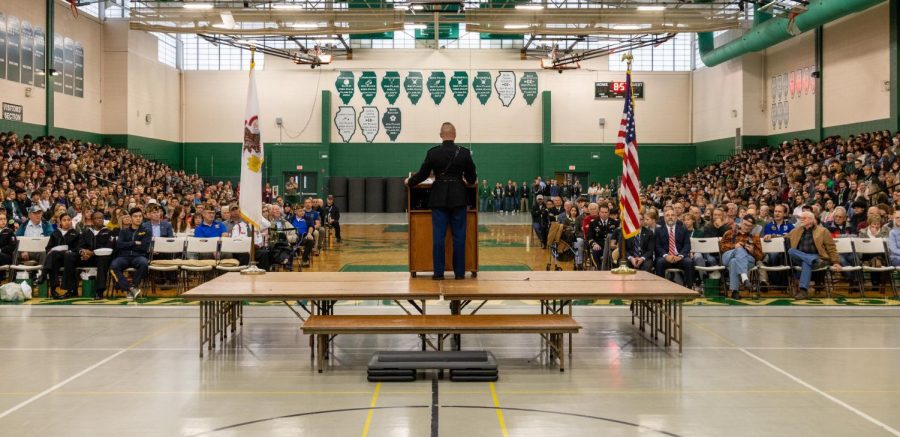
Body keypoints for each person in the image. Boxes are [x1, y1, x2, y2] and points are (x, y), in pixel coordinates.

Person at [405, 122, 477, 280]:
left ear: (440, 135)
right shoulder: (464, 153)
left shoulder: (433, 153)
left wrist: (409, 182)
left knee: (438, 237)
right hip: (459, 198)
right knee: (459, 237)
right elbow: (472, 179)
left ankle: (438, 274)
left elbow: (423, 174)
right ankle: (459, 274)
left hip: (438, 198)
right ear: (455, 134)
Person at [787, 211, 841, 300]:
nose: (801, 220)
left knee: (806, 263)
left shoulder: (823, 231)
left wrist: (835, 262)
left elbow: (831, 247)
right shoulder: (795, 231)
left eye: (804, 218)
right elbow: (783, 237)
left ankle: (803, 291)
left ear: (811, 220)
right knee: (791, 250)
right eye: (801, 218)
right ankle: (811, 260)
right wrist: (771, 236)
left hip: (818, 256)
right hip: (801, 258)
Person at [65, 211, 113, 300]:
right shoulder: (85, 233)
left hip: (100, 258)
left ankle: (99, 291)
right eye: (97, 218)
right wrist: (82, 252)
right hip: (86, 257)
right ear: (92, 220)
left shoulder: (108, 232)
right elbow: (78, 246)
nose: (100, 220)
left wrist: (92, 253)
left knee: (103, 258)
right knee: (70, 256)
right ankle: (71, 290)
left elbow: (108, 249)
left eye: (101, 218)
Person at [111, 208, 152, 300]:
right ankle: (130, 288)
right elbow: (119, 245)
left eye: (140, 216)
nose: (138, 218)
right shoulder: (123, 231)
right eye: (135, 216)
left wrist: (127, 245)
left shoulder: (147, 231)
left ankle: (133, 286)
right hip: (124, 256)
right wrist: (134, 243)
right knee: (114, 265)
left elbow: (144, 247)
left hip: (139, 256)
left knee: (144, 263)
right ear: (131, 218)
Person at [719, 216, 763, 299]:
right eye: (745, 224)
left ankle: (735, 291)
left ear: (752, 227)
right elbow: (722, 247)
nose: (746, 227)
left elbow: (760, 256)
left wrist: (752, 251)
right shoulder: (729, 233)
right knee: (739, 249)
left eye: (749, 226)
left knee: (734, 262)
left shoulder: (754, 237)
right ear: (741, 222)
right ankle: (744, 278)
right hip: (728, 255)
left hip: (747, 260)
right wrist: (734, 246)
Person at [41, 213, 81, 299]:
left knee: (63, 256)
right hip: (57, 258)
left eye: (68, 220)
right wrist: (53, 250)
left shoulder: (75, 233)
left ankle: (44, 273)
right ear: (60, 222)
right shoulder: (55, 233)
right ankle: (53, 290)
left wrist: (69, 251)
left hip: (70, 258)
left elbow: (78, 249)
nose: (67, 222)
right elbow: (48, 248)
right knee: (53, 256)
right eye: (64, 220)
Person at [654, 208, 694, 286]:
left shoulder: (683, 229)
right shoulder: (658, 230)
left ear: (676, 217)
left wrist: (680, 256)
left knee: (689, 262)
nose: (670, 217)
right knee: (659, 262)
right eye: (667, 215)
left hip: (679, 257)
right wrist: (666, 256)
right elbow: (657, 246)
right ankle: (660, 289)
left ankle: (689, 289)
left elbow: (687, 245)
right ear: (664, 218)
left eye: (672, 215)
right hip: (665, 257)